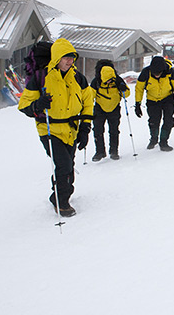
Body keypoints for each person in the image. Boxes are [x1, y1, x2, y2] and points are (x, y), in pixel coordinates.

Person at [18, 38, 93, 217]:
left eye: (71, 57)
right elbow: (24, 105)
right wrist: (38, 104)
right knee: (64, 165)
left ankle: (60, 193)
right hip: (49, 130)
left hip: (71, 129)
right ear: (57, 57)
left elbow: (88, 102)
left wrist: (85, 128)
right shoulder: (41, 78)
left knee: (68, 165)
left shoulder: (78, 78)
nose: (69, 61)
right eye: (65, 57)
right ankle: (62, 202)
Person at [135, 56, 174, 151]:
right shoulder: (145, 73)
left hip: (168, 99)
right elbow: (139, 89)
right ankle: (153, 139)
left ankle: (163, 142)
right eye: (154, 73)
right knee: (153, 121)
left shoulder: (170, 73)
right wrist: (138, 104)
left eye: (159, 73)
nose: (156, 75)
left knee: (168, 121)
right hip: (152, 100)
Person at [89, 60, 130, 161]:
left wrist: (123, 88)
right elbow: (90, 96)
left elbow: (127, 94)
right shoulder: (96, 82)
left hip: (114, 108)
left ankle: (114, 151)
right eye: (107, 80)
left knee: (114, 130)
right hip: (99, 108)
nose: (109, 82)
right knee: (98, 130)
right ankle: (100, 152)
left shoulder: (117, 80)